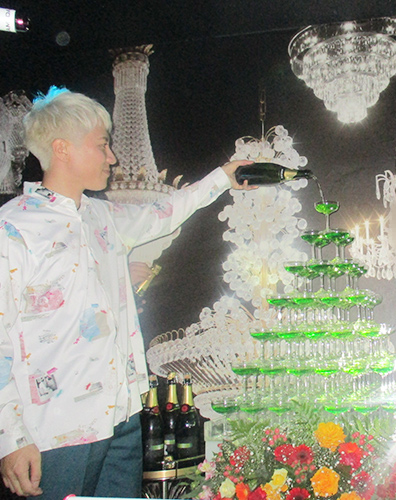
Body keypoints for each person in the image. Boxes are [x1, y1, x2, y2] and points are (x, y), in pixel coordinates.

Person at [0, 87, 254, 498]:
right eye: (102, 145)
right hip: (54, 431)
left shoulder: (102, 217)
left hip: (122, 419)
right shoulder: (13, 228)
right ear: (62, 149)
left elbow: (165, 213)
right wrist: (10, 437)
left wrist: (223, 178)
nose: (112, 157)